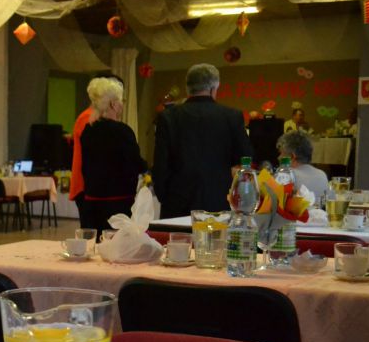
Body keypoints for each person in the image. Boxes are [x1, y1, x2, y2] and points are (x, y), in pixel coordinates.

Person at [153, 63, 253, 218]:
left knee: (177, 235)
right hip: (217, 202)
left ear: (188, 88)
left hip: (176, 203)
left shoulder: (168, 117)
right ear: (214, 88)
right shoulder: (231, 116)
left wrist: (165, 197)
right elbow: (245, 156)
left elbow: (160, 165)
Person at [77, 77, 147, 231]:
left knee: (94, 243)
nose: (122, 104)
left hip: (92, 201)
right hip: (118, 204)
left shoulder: (88, 131)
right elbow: (135, 163)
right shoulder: (123, 131)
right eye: (121, 100)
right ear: (113, 104)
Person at [70, 72, 124, 229]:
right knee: (94, 235)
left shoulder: (95, 119)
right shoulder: (89, 119)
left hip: (95, 188)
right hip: (88, 188)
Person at [277, 130, 328, 203]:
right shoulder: (322, 175)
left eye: (281, 153)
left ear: (292, 157)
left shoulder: (285, 177)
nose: (278, 157)